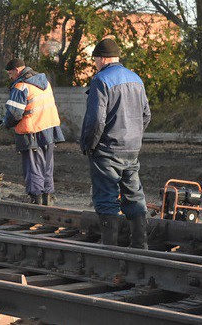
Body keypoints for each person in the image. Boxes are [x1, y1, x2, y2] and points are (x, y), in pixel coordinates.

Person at [81, 38, 151, 249]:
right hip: (131, 149)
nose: (95, 64)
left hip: (107, 150)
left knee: (106, 198)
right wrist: (133, 136)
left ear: (102, 58)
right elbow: (146, 114)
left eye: (95, 60)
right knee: (134, 195)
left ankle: (109, 248)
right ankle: (140, 246)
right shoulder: (136, 79)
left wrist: (89, 144)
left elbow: (96, 120)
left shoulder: (101, 81)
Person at [0, 58, 65, 206]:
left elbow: (15, 114)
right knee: (47, 166)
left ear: (17, 70)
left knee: (33, 166)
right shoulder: (44, 82)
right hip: (49, 128)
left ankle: (36, 200)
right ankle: (48, 199)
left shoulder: (21, 86)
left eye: (10, 73)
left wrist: (5, 122)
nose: (10, 77)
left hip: (32, 131)